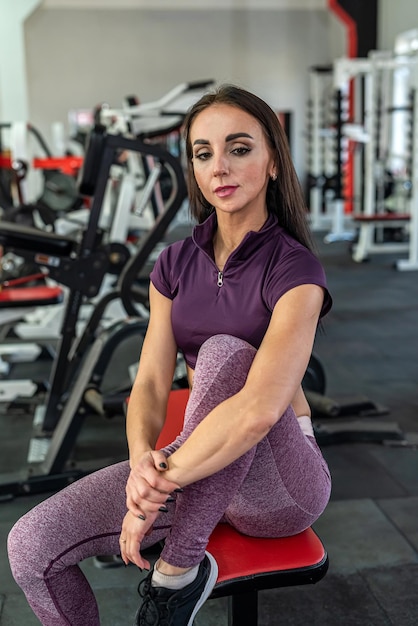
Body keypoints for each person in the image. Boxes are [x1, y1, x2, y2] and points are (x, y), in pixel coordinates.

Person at [8, 84, 332, 626]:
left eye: (239, 148)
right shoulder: (176, 263)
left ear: (273, 162)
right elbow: (153, 384)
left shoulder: (296, 270)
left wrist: (157, 488)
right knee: (31, 545)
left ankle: (178, 572)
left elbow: (257, 411)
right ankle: (179, 551)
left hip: (280, 486)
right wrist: (140, 459)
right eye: (204, 154)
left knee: (226, 354)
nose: (220, 167)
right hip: (196, 467)